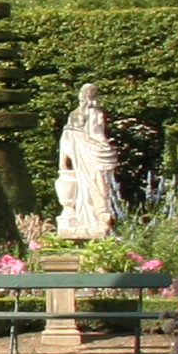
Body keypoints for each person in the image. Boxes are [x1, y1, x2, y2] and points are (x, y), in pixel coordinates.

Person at [54, 82, 118, 238]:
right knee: (100, 187)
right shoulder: (96, 113)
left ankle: (90, 220)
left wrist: (63, 163)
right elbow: (97, 135)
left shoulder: (74, 115)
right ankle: (98, 219)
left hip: (85, 157)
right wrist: (106, 147)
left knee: (88, 186)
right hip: (95, 155)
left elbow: (66, 140)